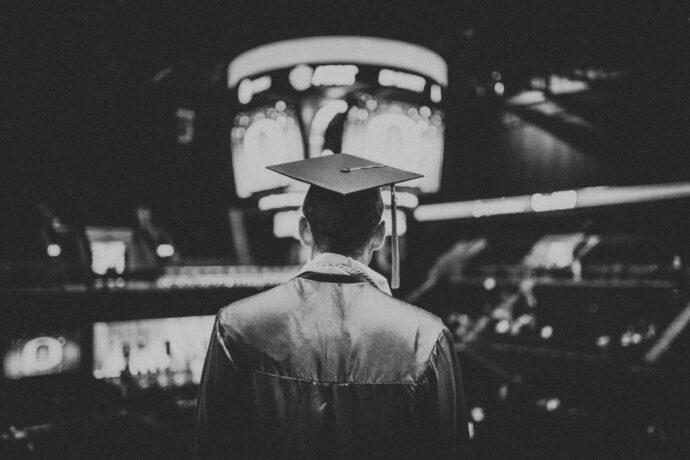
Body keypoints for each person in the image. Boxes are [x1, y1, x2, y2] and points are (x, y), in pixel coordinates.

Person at [195, 154, 469, 459]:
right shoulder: (426, 337)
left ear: (304, 229)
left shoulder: (235, 327)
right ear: (380, 235)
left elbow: (211, 447)